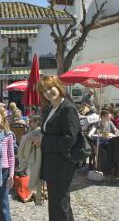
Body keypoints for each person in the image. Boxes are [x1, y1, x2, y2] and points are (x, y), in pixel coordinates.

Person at [32, 75, 80, 221]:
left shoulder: (67, 108)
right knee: (58, 203)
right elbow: (50, 131)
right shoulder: (49, 108)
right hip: (52, 163)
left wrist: (43, 140)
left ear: (58, 86)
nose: (48, 92)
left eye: (50, 88)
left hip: (63, 164)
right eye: (44, 90)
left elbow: (70, 139)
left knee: (59, 203)